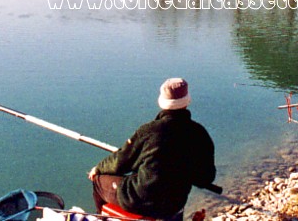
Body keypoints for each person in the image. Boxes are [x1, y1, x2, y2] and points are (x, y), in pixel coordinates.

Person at [88, 78, 216, 219]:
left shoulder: (149, 131)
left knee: (98, 182)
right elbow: (207, 176)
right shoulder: (199, 133)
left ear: (161, 102)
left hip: (140, 200)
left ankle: (100, 218)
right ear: (187, 101)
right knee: (174, 195)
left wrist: (99, 168)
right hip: (174, 203)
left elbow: (121, 162)